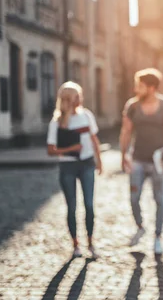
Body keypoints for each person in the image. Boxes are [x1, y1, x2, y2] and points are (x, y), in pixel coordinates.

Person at [120, 68, 163, 255]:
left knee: (159, 199)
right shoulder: (132, 106)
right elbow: (126, 131)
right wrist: (123, 155)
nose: (136, 89)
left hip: (157, 162)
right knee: (133, 197)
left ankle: (157, 238)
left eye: (140, 86)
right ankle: (140, 226)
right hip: (137, 159)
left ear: (152, 88)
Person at [47, 81, 103, 259]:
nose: (79, 99)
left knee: (89, 204)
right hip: (68, 166)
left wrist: (98, 159)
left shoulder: (86, 115)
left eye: (80, 95)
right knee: (72, 207)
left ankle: (91, 242)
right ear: (68, 99)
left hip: (87, 164)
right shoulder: (56, 123)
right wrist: (70, 149)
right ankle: (75, 244)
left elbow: (94, 139)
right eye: (76, 96)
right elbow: (51, 150)